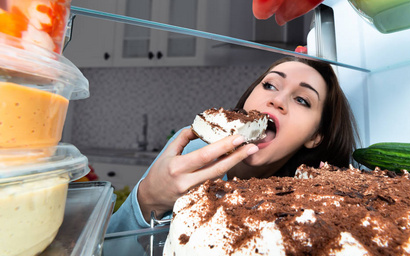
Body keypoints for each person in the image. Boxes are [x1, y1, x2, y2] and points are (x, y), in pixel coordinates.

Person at [107, 56, 359, 233]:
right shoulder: (190, 151)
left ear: (316, 136)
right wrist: (149, 198)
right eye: (270, 84)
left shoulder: (305, 203)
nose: (277, 100)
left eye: (302, 100)